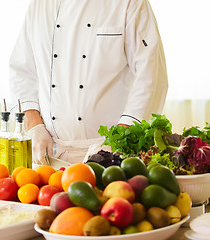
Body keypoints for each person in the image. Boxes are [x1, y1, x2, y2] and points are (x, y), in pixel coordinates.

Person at [9, 0, 168, 165]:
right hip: (51, 157)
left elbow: (151, 75)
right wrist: (34, 126)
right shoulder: (40, 5)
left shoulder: (129, 3)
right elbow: (21, 71)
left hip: (113, 158)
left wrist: (120, 139)